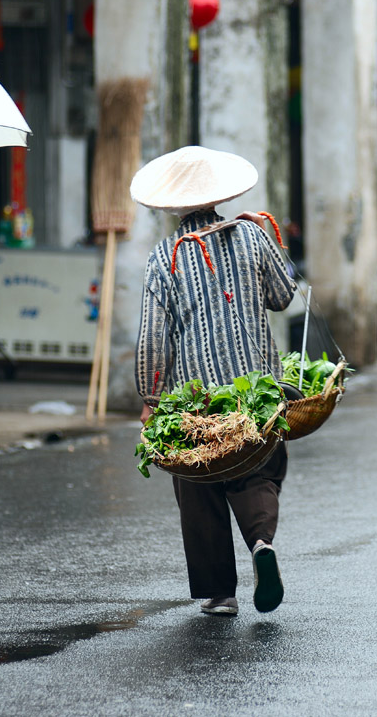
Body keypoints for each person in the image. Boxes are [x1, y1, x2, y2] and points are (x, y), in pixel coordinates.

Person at [131, 146, 297, 616]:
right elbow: (284, 296)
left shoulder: (165, 256)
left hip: (195, 400)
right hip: (257, 393)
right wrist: (272, 244)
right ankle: (262, 544)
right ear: (219, 195)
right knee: (257, 470)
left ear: (173, 205)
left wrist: (150, 396)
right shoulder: (250, 234)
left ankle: (220, 593)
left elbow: (152, 338)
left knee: (198, 482)